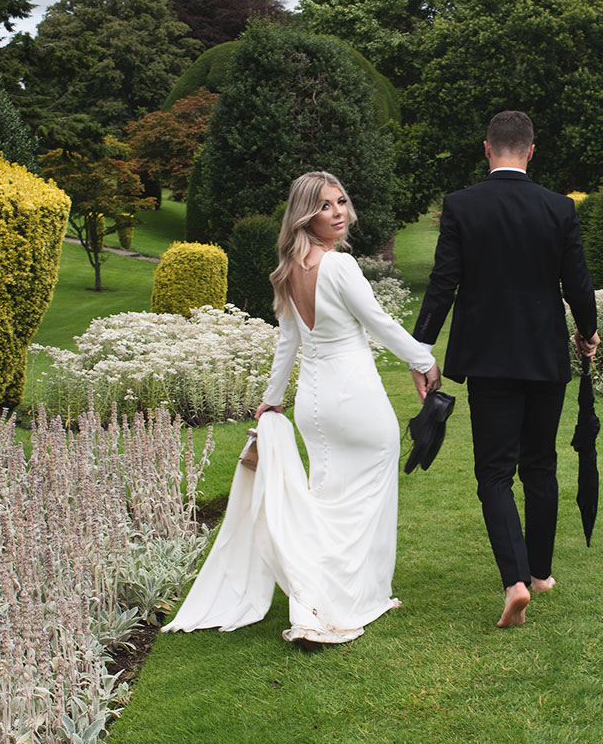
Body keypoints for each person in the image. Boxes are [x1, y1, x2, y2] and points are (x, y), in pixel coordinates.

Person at [165, 172, 440, 645]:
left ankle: (323, 600)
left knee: (327, 501)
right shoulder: (339, 266)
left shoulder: (289, 270)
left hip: (314, 406)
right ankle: (359, 597)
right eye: (326, 206)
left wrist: (274, 399)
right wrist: (424, 358)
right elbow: (376, 321)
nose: (339, 212)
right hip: (355, 399)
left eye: (341, 202)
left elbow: (288, 343)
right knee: (368, 498)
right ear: (305, 215)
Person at [410, 111, 598, 629]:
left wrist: (421, 350)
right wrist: (587, 332)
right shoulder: (558, 207)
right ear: (531, 151)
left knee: (494, 471)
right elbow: (577, 282)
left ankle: (515, 582)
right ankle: (539, 573)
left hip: (489, 358)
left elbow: (443, 283)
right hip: (543, 356)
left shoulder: (462, 205)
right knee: (540, 463)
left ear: (487, 149)